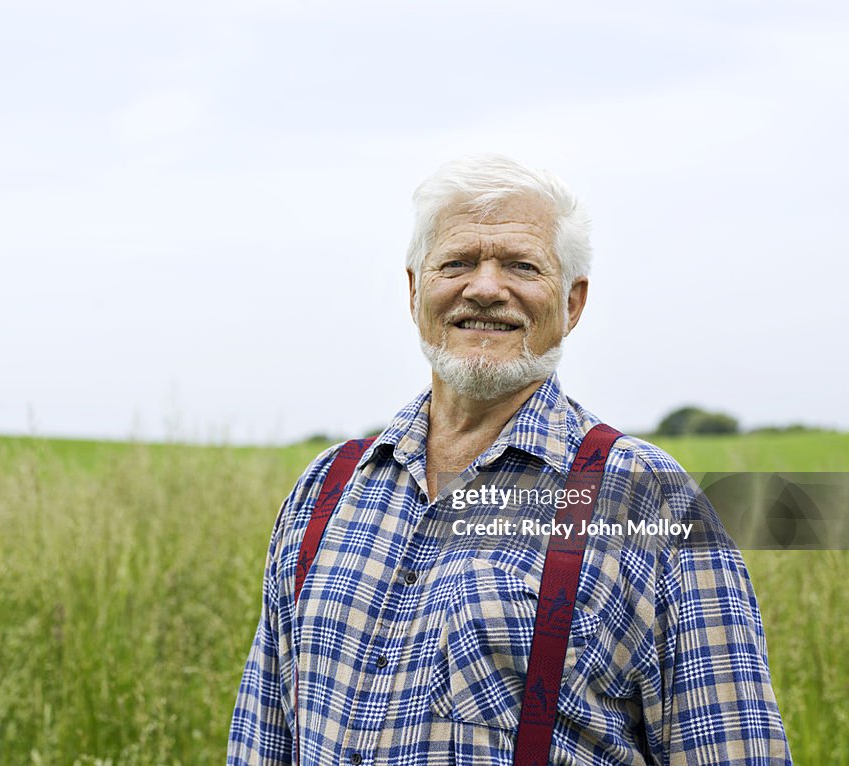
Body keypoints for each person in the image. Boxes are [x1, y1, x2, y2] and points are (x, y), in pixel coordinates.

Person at [228, 155, 791, 765]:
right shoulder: (326, 488)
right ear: (416, 290)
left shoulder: (648, 499)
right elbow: (263, 739)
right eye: (458, 263)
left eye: (521, 265)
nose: (486, 287)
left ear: (572, 304)